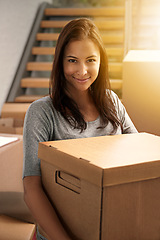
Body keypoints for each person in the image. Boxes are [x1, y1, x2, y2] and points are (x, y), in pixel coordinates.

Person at [23, 18, 137, 240]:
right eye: (73, 60)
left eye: (91, 60)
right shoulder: (41, 113)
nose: (82, 70)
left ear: (101, 62)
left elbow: (140, 153)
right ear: (60, 62)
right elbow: (31, 188)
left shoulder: (112, 102)